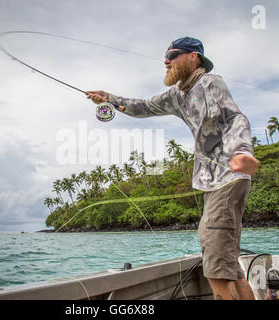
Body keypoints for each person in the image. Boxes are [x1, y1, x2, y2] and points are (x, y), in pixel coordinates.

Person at [86, 36, 260, 300]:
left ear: (194, 57)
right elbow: (142, 106)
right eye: (166, 56)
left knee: (214, 262)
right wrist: (108, 98)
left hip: (229, 175)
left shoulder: (210, 82)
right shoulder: (178, 94)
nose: (166, 61)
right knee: (226, 261)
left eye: (173, 55)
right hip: (212, 182)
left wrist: (242, 151)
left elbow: (234, 116)